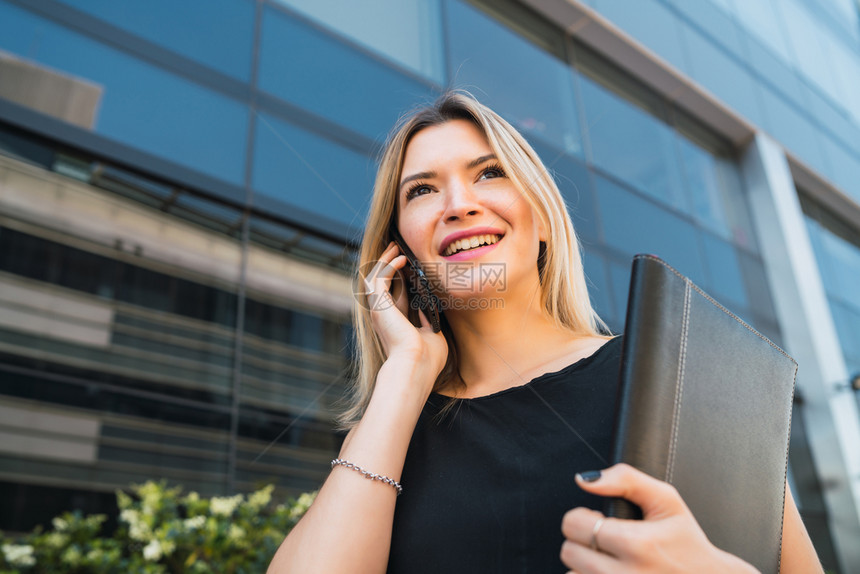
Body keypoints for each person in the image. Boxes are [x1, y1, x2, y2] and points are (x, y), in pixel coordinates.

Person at [267, 92, 823, 573]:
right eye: (422, 191)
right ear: (401, 251)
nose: (459, 205)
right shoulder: (390, 430)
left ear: (540, 216)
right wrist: (404, 372)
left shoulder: (681, 380)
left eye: (489, 173)